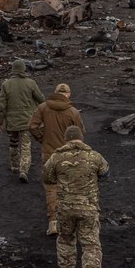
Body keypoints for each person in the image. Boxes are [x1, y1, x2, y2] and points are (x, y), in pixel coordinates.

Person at [43, 126, 109, 268]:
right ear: (81, 139)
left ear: (66, 139)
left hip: (65, 208)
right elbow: (106, 173)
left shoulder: (56, 157)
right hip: (88, 207)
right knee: (90, 242)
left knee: (66, 239)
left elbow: (47, 177)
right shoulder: (94, 156)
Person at [29, 83, 84, 235]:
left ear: (55, 93)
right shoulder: (73, 112)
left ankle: (53, 222)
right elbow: (80, 134)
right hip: (69, 154)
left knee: (51, 186)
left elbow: (32, 126)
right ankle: (70, 221)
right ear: (68, 94)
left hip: (49, 153)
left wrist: (42, 139)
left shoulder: (43, 107)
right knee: (70, 186)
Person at [0, 59, 46, 182]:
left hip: (12, 122)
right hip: (27, 121)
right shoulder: (31, 83)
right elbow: (41, 99)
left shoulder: (6, 84)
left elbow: (2, 106)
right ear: (24, 69)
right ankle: (24, 170)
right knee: (26, 145)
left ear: (13, 70)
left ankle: (14, 166)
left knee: (13, 144)